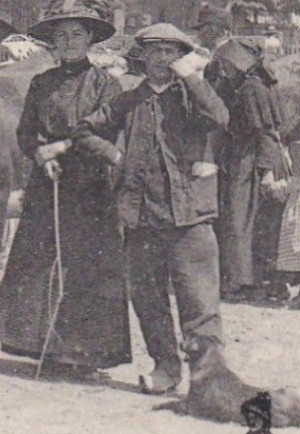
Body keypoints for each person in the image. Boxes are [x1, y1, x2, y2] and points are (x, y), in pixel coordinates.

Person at [77, 22, 229, 394]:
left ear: (180, 57)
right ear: (141, 57)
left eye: (170, 52)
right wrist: (114, 154)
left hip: (189, 217)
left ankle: (207, 377)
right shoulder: (128, 99)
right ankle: (165, 368)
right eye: (154, 51)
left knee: (199, 302)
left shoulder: (192, 95)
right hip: (140, 217)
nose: (162, 59)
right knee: (148, 299)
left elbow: (220, 118)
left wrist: (192, 78)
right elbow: (84, 130)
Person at [0, 0, 131, 377]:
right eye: (62, 35)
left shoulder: (105, 85)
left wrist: (62, 147)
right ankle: (42, 348)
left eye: (77, 34)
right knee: (40, 264)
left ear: (90, 39)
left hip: (89, 189)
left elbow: (104, 130)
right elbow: (26, 131)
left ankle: (84, 355)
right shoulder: (41, 83)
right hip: (46, 186)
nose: (68, 41)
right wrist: (40, 154)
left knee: (86, 268)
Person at [208, 38, 291, 303]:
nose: (223, 68)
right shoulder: (247, 84)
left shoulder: (250, 88)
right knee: (244, 219)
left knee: (240, 219)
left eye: (226, 63)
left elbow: (266, 132)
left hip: (250, 161)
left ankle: (240, 281)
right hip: (242, 158)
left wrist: (267, 170)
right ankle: (242, 278)